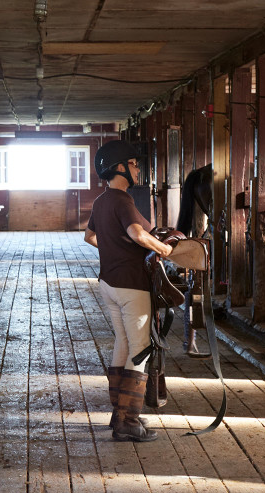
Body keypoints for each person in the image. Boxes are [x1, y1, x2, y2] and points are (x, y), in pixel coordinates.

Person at [84, 140, 174, 442]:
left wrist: (115, 250)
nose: (137, 167)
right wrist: (164, 249)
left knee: (122, 343)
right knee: (140, 349)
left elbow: (90, 237)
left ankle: (118, 413)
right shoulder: (122, 200)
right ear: (120, 167)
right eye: (133, 163)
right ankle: (129, 422)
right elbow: (137, 233)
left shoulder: (101, 201)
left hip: (108, 283)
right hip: (131, 285)